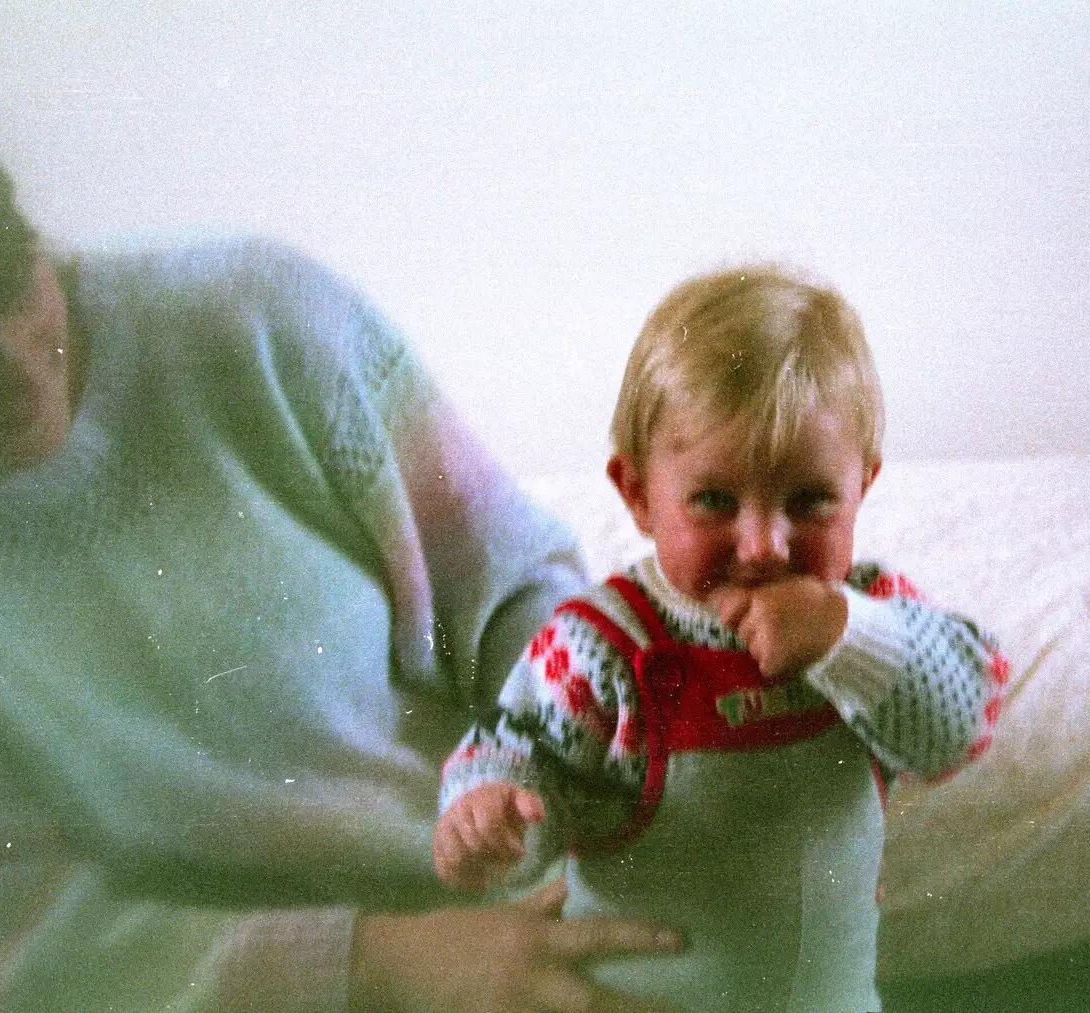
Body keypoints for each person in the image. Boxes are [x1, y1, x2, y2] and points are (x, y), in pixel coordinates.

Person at [0, 78, 683, 1013]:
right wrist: (381, 965)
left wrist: (610, 772)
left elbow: (513, 586)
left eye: (10, 282)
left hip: (527, 872)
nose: (16, 366)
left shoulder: (259, 315)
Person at [432, 265, 1011, 1011]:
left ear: (862, 487)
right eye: (714, 500)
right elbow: (515, 748)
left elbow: (962, 721)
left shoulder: (874, 614)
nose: (764, 544)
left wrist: (845, 635)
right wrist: (493, 808)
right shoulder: (602, 643)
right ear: (639, 494)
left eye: (808, 500)